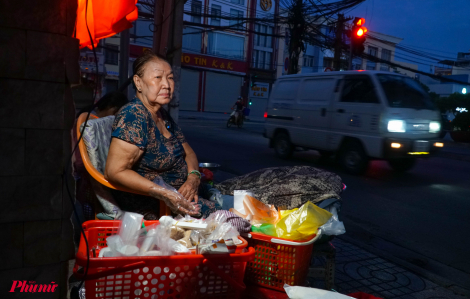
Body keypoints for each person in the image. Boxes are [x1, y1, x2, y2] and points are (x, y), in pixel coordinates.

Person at [104, 51, 220, 220]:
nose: (166, 84)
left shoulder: (161, 115)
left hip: (182, 194)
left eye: (171, 78)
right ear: (138, 82)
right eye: (158, 77)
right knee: (233, 217)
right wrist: (165, 194)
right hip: (158, 205)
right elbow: (115, 171)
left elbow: (189, 153)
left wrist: (193, 177)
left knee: (241, 198)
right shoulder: (134, 116)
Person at [72, 91, 128, 221]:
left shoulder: (96, 122)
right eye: (115, 115)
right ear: (111, 109)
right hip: (84, 184)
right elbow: (79, 162)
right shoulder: (91, 124)